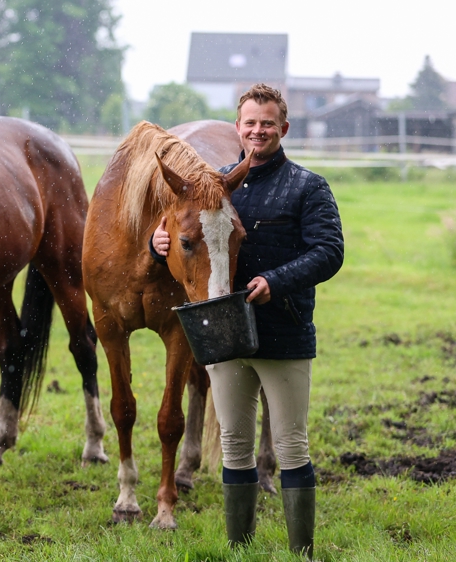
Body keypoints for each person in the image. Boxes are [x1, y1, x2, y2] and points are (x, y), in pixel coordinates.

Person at [151, 83, 344, 558]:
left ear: (283, 128)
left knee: (292, 446)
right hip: (226, 333)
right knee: (235, 444)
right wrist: (158, 247)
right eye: (250, 123)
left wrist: (275, 281)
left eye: (267, 123)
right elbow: (185, 235)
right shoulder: (214, 182)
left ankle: (301, 552)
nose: (258, 131)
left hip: (284, 332)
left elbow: (330, 252)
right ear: (237, 128)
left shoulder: (308, 187)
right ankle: (241, 549)